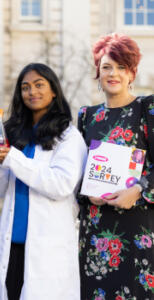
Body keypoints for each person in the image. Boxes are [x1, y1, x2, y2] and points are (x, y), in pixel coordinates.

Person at [0, 63, 88, 300]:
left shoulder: (68, 136)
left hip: (47, 248)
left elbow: (60, 185)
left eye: (39, 85)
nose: (32, 92)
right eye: (25, 87)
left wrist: (12, 158)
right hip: (12, 246)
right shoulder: (14, 133)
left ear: (53, 91)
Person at [78, 33, 154, 299]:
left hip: (137, 228)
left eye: (121, 67)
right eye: (107, 66)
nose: (114, 73)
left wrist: (139, 190)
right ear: (97, 71)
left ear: (132, 73)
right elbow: (78, 172)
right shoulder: (87, 116)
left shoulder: (147, 109)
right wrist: (86, 192)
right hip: (96, 228)